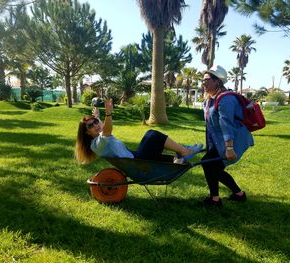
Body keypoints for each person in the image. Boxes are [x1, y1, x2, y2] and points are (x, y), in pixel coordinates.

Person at [75, 98, 203, 164]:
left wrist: (97, 116)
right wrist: (108, 114)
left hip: (134, 159)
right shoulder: (97, 144)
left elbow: (102, 129)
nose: (95, 125)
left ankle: (179, 156)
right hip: (136, 162)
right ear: (87, 132)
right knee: (152, 135)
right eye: (90, 126)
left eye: (96, 122)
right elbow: (106, 132)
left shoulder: (97, 139)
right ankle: (184, 151)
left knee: (150, 135)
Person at [200, 65, 254, 207]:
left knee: (209, 165)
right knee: (212, 166)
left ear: (217, 81)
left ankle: (215, 199)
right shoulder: (209, 100)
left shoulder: (226, 99)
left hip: (234, 139)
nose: (203, 83)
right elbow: (210, 127)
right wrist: (210, 146)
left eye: (207, 80)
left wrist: (229, 147)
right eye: (203, 80)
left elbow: (226, 124)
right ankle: (238, 194)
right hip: (219, 141)